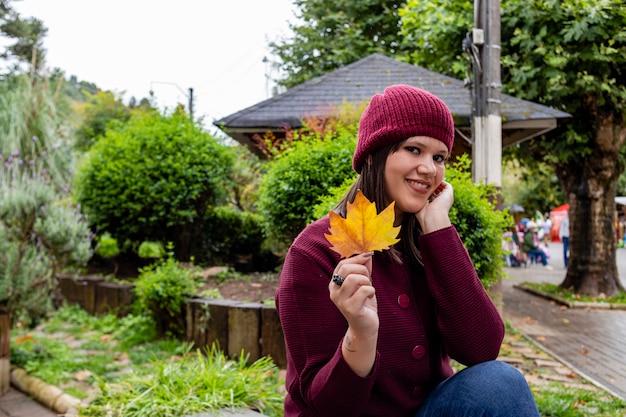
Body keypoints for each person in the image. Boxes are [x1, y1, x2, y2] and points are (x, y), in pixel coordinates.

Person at [275, 84, 540, 417]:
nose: (429, 168)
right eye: (414, 150)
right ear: (373, 154)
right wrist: (361, 333)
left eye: (439, 157)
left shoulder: (430, 242)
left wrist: (439, 228)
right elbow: (323, 405)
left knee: (499, 381)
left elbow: (482, 349)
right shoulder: (314, 250)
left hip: (426, 410)